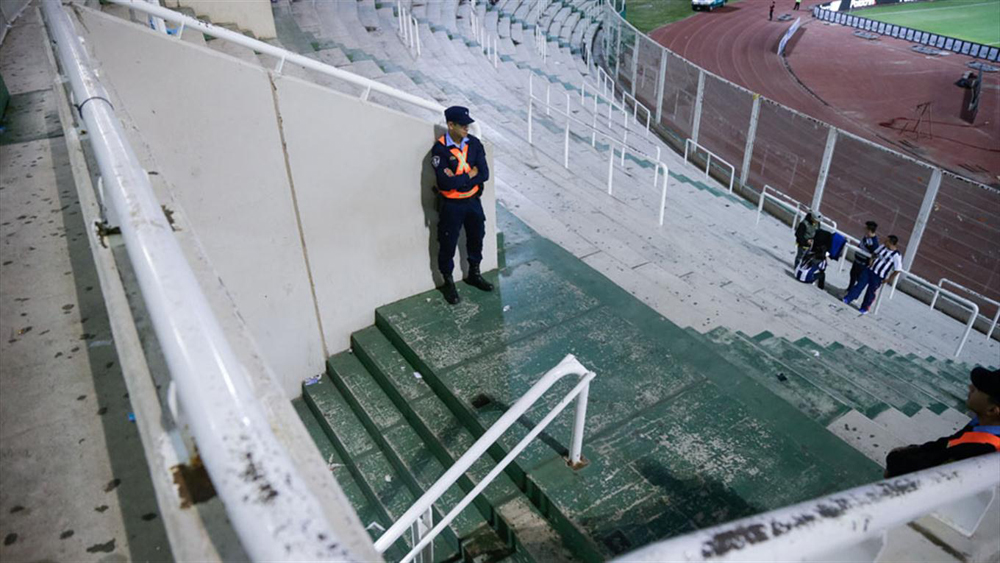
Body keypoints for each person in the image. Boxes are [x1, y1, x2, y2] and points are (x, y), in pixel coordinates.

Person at [885, 367, 1000, 478]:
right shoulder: (984, 421)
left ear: (992, 410)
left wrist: (895, 459)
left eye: (977, 389)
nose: (970, 387)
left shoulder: (982, 449)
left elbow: (936, 466)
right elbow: (949, 442)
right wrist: (916, 449)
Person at [431, 106, 493, 305]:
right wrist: (470, 175)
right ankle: (448, 281)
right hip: (452, 205)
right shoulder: (439, 149)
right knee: (447, 243)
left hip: (473, 202)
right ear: (451, 125)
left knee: (477, 237)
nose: (467, 128)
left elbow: (484, 173)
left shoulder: (474, 144)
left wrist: (463, 178)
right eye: (463, 125)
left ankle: (474, 272)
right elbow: (445, 183)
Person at [842, 235, 902, 315]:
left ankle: (865, 308)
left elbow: (897, 270)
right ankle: (848, 298)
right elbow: (874, 253)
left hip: (878, 276)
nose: (884, 241)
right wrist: (871, 261)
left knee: (870, 292)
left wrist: (889, 279)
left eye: (886, 240)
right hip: (869, 270)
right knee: (859, 285)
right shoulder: (883, 247)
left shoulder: (896, 255)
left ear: (891, 242)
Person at [847, 221, 879, 292]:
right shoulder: (866, 237)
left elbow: (874, 254)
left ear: (869, 230)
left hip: (863, 264)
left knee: (859, 279)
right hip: (857, 261)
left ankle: (853, 294)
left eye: (865, 228)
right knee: (852, 275)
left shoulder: (873, 243)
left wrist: (870, 263)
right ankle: (849, 289)